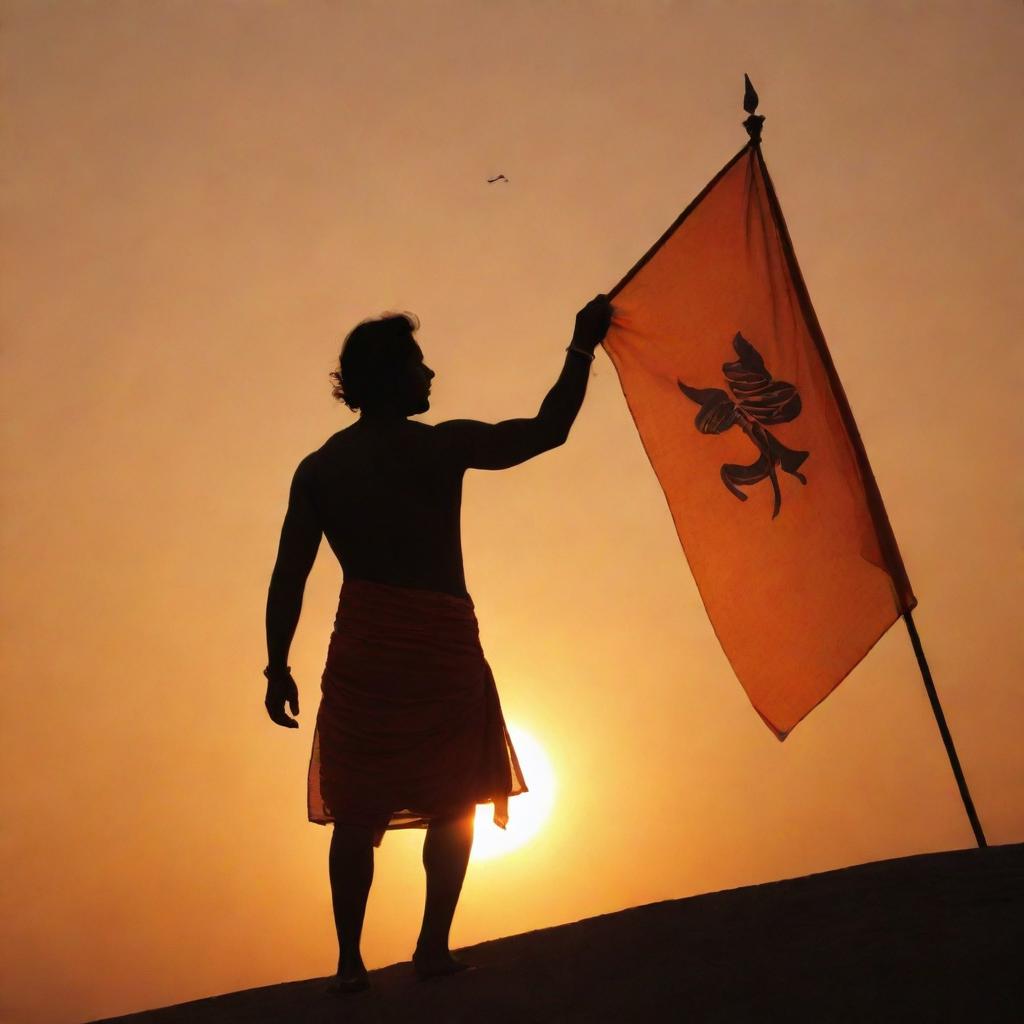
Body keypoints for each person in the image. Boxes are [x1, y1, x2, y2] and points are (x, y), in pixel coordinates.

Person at [263, 294, 613, 993]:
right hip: (435, 646)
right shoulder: (437, 446)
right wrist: (581, 347)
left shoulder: (321, 469)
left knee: (357, 812)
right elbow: (548, 430)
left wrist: (277, 666)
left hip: (366, 649)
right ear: (389, 377)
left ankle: (350, 963)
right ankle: (429, 949)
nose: (430, 375)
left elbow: (289, 577)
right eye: (418, 364)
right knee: (453, 802)